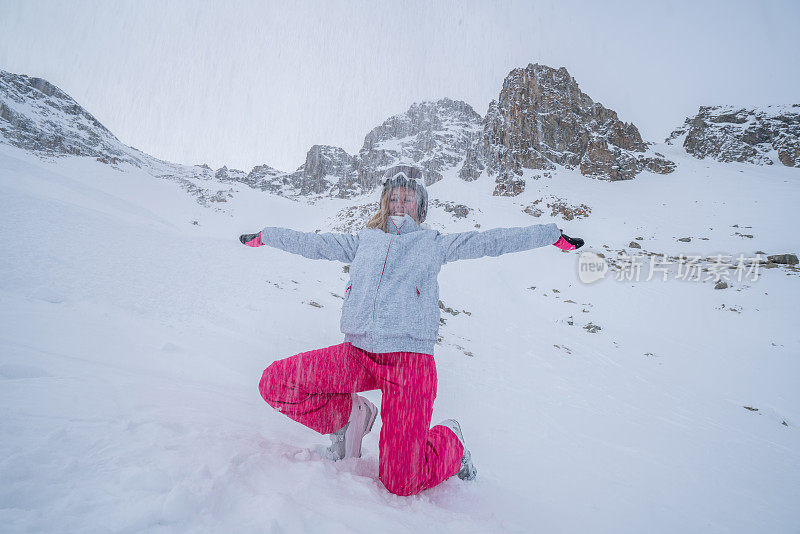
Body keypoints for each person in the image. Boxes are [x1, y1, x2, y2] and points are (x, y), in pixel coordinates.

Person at [239, 164, 584, 496]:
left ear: (420, 205)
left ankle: (452, 440)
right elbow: (312, 244)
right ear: (384, 202)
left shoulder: (432, 244)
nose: (399, 204)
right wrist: (266, 236)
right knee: (276, 382)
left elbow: (491, 242)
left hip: (411, 364)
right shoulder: (364, 240)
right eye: (393, 197)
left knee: (401, 481)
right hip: (358, 353)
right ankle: (347, 419)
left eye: (407, 198)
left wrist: (550, 235)